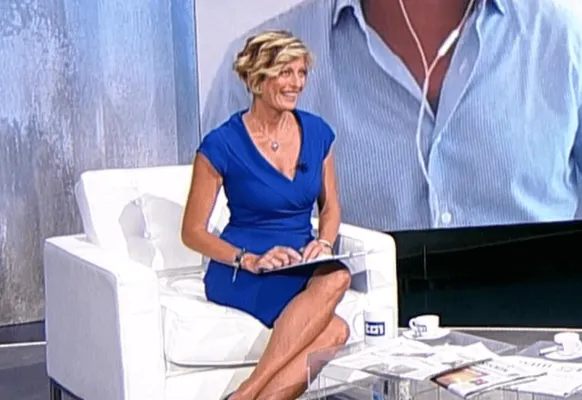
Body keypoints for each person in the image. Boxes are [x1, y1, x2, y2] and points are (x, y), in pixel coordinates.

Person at [201, 0, 582, 232]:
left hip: (544, 335)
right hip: (339, 336)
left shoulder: (564, 39)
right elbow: (214, 247)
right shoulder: (256, 71)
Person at [181, 31, 351, 400]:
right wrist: (249, 259)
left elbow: (330, 207)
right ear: (257, 78)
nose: (297, 84)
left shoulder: (318, 133)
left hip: (299, 263)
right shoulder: (221, 144)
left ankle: (244, 396)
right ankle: (247, 393)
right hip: (243, 268)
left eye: (302, 73)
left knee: (336, 312)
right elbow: (192, 231)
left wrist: (324, 243)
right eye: (285, 73)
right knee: (336, 305)